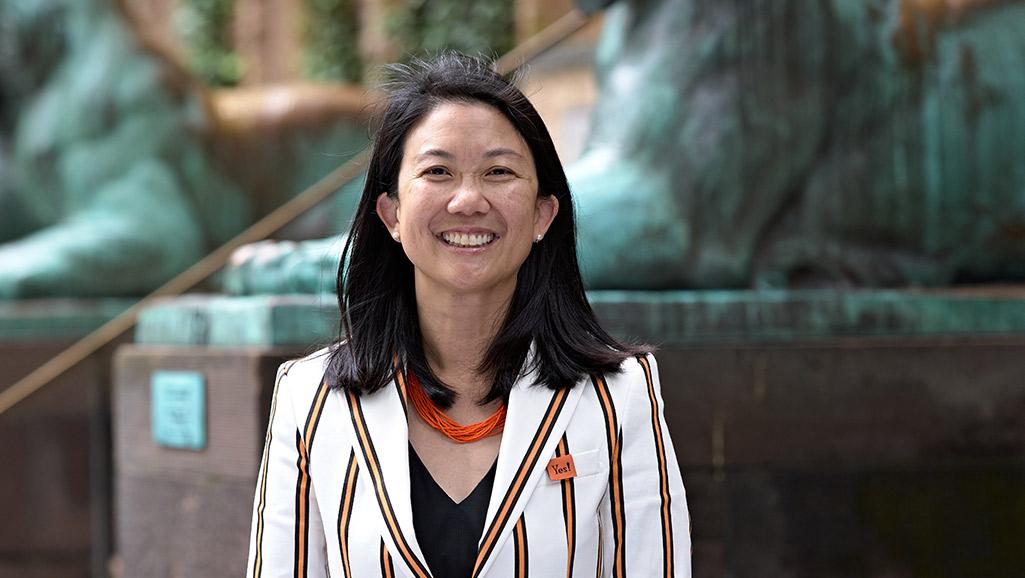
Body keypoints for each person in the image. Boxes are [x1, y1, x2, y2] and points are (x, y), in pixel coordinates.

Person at [245, 52, 691, 578]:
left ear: (543, 214)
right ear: (390, 213)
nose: (467, 200)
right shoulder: (309, 397)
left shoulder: (619, 396)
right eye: (437, 171)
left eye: (498, 171)